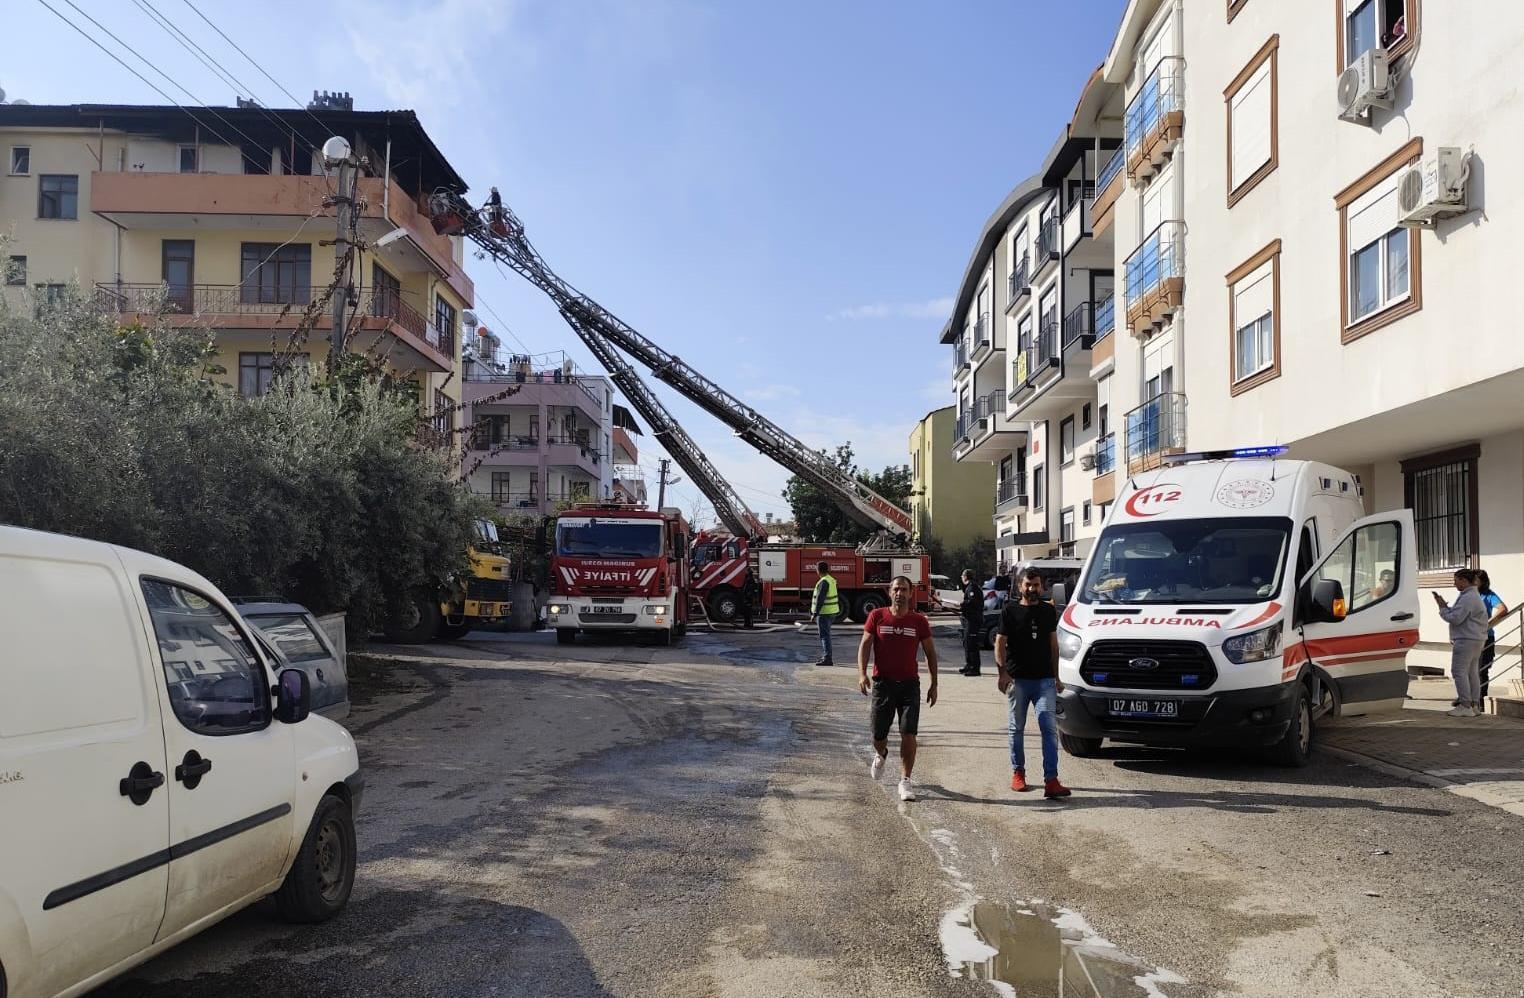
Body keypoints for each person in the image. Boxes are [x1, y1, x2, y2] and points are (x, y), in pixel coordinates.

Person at [859, 575, 938, 801]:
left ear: (911, 593)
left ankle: (905, 781)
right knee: (878, 734)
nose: (899, 594)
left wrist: (934, 683)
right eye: (896, 589)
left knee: (909, 733)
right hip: (883, 684)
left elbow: (930, 652)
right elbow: (865, 645)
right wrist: (862, 673)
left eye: (904, 589)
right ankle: (881, 753)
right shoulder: (877, 616)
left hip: (909, 686)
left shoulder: (919, 621)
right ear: (889, 592)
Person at [994, 566, 1071, 799]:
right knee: (1016, 729)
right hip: (1018, 681)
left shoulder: (1048, 612)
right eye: (1028, 584)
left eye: (1036, 584)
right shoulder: (1009, 611)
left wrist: (1057, 677)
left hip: (1044, 681)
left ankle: (1052, 780)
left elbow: (1054, 646)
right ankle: (1018, 774)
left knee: (1048, 729)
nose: (1032, 589)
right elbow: (999, 643)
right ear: (1020, 587)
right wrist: (1002, 673)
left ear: (1041, 586)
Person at [1435, 568, 1488, 717]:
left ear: (1464, 581)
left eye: (1456, 580)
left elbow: (1456, 618)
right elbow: (1461, 614)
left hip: (1466, 639)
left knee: (1459, 671)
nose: (1454, 584)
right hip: (1476, 638)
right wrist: (1448, 608)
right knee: (1472, 672)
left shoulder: (1468, 597)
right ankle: (1474, 705)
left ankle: (1465, 705)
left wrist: (1442, 608)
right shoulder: (1472, 595)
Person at [1477, 569, 1509, 703]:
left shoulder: (1488, 595)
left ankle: (1480, 700)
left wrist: (1488, 623)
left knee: (1481, 670)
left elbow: (1502, 608)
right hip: (1468, 637)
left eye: (1475, 581)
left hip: (1485, 637)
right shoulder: (1467, 595)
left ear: (1482, 582)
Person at [809, 561, 840, 666]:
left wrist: (815, 613)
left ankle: (827, 658)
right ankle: (826, 656)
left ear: (818, 570)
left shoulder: (823, 582)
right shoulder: (831, 579)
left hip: (824, 613)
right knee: (826, 635)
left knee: (824, 636)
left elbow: (820, 599)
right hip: (832, 612)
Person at [958, 569, 984, 676]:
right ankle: (969, 665)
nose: (961, 578)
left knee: (972, 644)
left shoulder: (973, 587)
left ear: (966, 577)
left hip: (973, 620)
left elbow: (973, 602)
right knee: (967, 643)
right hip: (968, 619)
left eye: (962, 576)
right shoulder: (969, 587)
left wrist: (962, 604)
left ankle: (975, 668)